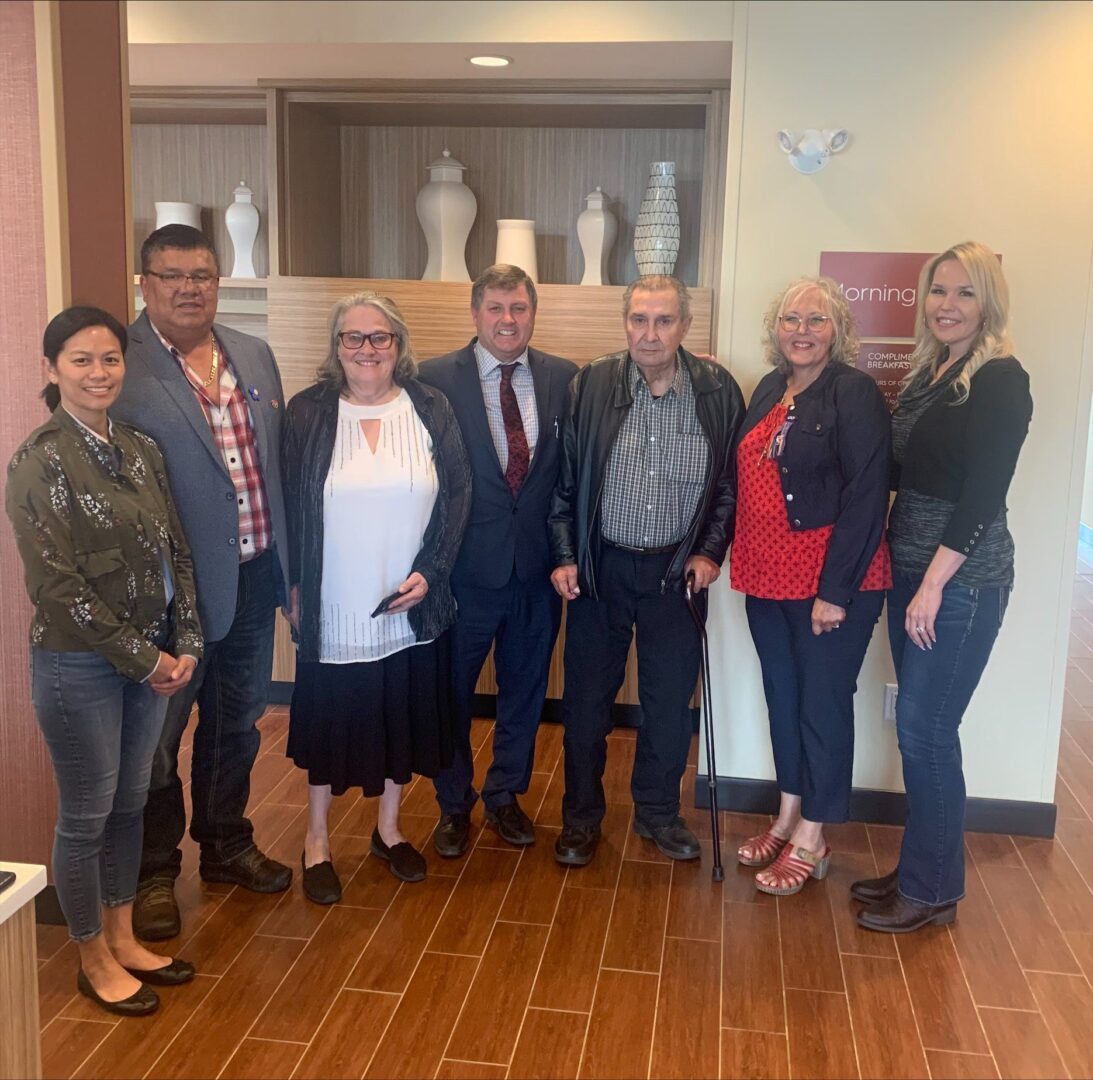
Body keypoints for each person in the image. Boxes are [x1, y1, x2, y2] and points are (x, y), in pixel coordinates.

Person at [6, 307, 203, 1016]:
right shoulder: (38, 460)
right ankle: (90, 954)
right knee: (87, 812)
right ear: (53, 369)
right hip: (79, 667)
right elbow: (56, 587)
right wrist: (142, 657)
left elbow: (174, 550)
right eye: (82, 359)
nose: (98, 372)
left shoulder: (141, 448)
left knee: (130, 802)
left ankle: (123, 937)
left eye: (110, 358)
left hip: (153, 662)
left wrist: (185, 644)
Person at [112, 225, 293, 941]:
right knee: (157, 737)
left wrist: (291, 574)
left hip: (252, 578)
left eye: (204, 274)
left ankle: (226, 844)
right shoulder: (119, 364)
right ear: (145, 283)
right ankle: (156, 871)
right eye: (172, 275)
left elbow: (272, 466)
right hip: (166, 595)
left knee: (236, 722)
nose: (191, 288)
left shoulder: (253, 354)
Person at [853, 242, 1032, 933]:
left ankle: (931, 892)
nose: (947, 305)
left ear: (987, 302)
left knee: (927, 732)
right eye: (937, 291)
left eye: (963, 293)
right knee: (920, 733)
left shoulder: (1000, 378)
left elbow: (983, 494)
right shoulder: (932, 372)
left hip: (958, 585)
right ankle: (921, 869)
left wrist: (931, 584)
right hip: (910, 574)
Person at [549, 275, 745, 867]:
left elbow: (730, 490)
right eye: (639, 320)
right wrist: (564, 554)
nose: (649, 333)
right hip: (600, 568)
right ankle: (581, 818)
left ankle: (658, 813)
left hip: (675, 575)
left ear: (685, 326)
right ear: (625, 323)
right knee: (585, 705)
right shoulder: (593, 383)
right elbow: (565, 483)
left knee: (665, 706)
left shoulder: (717, 390)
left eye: (663, 321)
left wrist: (710, 551)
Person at [282, 291, 471, 899]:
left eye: (379, 338)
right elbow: (288, 506)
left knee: (399, 717)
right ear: (336, 348)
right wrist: (291, 588)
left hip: (408, 604)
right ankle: (316, 840)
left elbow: (458, 497)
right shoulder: (308, 412)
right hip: (333, 605)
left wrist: (432, 572)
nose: (366, 350)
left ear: (398, 345)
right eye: (353, 338)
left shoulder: (429, 405)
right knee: (331, 722)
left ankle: (388, 830)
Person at [731, 277, 891, 895]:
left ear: (837, 331)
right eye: (791, 318)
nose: (802, 330)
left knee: (822, 703)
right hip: (766, 575)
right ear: (776, 328)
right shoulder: (771, 387)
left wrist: (835, 591)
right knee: (784, 697)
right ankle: (789, 813)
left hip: (830, 583)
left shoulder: (854, 393)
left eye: (816, 320)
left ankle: (814, 837)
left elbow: (866, 497)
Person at [417, 265, 577, 856]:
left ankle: (505, 795)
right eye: (496, 309)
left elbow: (569, 475)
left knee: (525, 692)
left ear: (533, 313)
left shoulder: (564, 377)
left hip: (536, 570)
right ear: (475, 313)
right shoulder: (432, 379)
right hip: (461, 572)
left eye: (519, 308)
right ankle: (453, 805)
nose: (508, 320)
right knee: (450, 694)